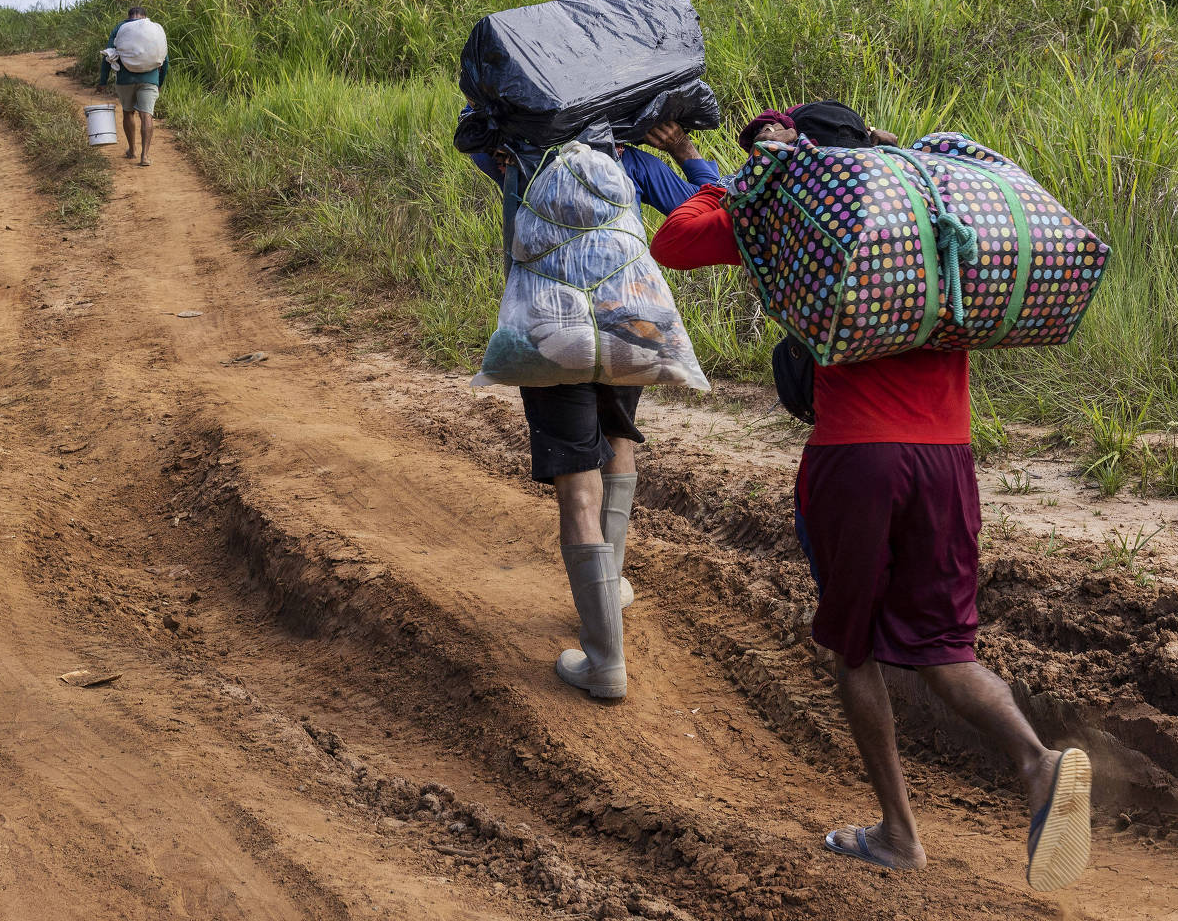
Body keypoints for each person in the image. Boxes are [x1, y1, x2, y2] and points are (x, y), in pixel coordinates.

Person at [648, 101, 1095, 890]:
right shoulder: (926, 202)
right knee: (945, 651)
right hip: (949, 457)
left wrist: (726, 177)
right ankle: (1038, 761)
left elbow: (674, 240)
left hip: (856, 458)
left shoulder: (799, 212)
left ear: (801, 153)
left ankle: (899, 833)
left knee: (850, 648)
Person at [467, 121, 718, 699]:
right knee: (619, 442)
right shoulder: (629, 160)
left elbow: (473, 136)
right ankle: (615, 583)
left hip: (548, 332)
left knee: (578, 490)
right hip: (627, 325)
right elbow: (704, 204)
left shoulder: (517, 155)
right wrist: (681, 148)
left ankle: (605, 660)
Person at [96, 7, 166, 167]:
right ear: (145, 17)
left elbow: (108, 55)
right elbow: (165, 58)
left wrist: (102, 81)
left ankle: (132, 150)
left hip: (125, 80)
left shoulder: (120, 28)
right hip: (150, 79)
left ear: (128, 17)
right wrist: (160, 82)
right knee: (146, 115)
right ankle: (145, 156)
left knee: (128, 113)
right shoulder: (154, 29)